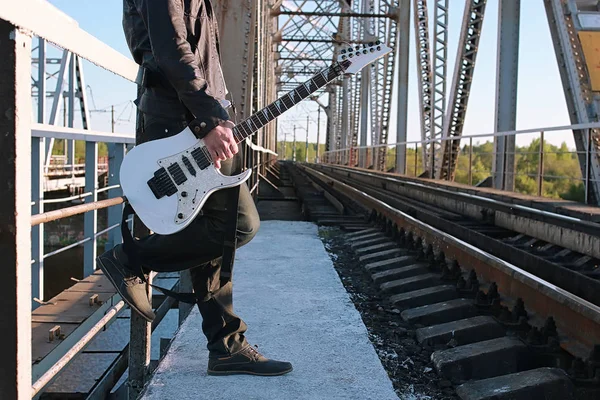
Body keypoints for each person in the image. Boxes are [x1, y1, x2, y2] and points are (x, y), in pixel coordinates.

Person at [96, 0, 292, 376]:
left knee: (212, 236)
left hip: (196, 119)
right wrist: (209, 120)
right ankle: (133, 259)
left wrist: (214, 114)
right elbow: (171, 50)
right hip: (182, 126)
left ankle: (225, 346)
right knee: (238, 224)